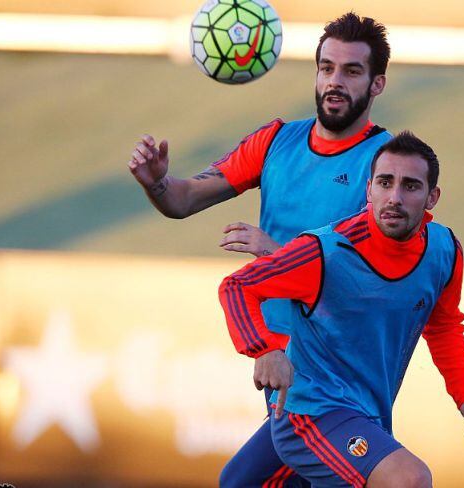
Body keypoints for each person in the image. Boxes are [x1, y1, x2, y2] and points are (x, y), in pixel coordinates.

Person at [127, 12, 392, 486]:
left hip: (337, 372)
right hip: (286, 363)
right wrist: (158, 182)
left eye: (352, 72)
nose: (335, 81)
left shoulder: (387, 165)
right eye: (326, 67)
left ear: (377, 85)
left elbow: (371, 279)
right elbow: (183, 200)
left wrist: (276, 254)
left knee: (243, 482)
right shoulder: (275, 142)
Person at [219, 132, 464, 487]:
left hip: (363, 415)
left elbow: (443, 327)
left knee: (241, 482)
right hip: (311, 412)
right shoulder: (326, 250)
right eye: (385, 182)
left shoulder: (444, 250)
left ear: (431, 197)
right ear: (368, 190)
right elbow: (237, 287)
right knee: (409, 479)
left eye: (410, 186)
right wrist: (265, 349)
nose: (394, 197)